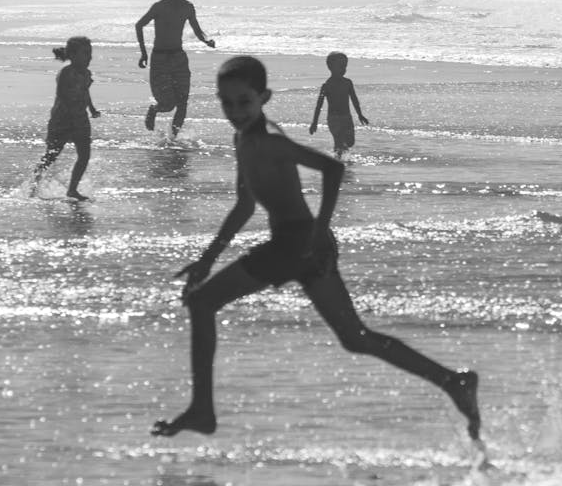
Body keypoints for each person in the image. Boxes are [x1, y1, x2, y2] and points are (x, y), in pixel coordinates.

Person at [151, 56, 482, 444]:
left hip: (296, 243)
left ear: (264, 98)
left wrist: (319, 230)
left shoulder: (269, 141)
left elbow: (332, 169)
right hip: (301, 246)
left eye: (244, 101)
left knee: (203, 303)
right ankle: (453, 381)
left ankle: (202, 411)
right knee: (354, 337)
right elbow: (244, 206)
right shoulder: (243, 139)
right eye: (227, 103)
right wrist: (206, 261)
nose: (235, 111)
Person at [135, 0, 217, 138]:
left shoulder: (188, 7)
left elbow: (198, 31)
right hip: (160, 58)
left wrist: (207, 41)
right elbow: (139, 25)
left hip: (178, 58)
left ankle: (173, 140)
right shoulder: (160, 6)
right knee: (167, 104)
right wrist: (143, 53)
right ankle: (154, 109)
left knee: (182, 102)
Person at [33, 36, 101, 201]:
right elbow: (62, 95)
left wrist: (91, 108)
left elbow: (85, 91)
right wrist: (72, 111)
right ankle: (34, 184)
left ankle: (72, 189)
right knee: (51, 155)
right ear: (73, 55)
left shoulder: (86, 73)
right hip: (62, 120)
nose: (89, 57)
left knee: (84, 155)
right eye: (85, 54)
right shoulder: (65, 73)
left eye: (90, 53)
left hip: (80, 118)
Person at [309, 51, 370, 158]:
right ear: (331, 67)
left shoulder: (348, 83)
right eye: (341, 66)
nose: (344, 69)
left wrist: (360, 114)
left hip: (347, 117)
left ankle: (341, 156)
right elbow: (319, 105)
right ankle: (338, 162)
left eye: (345, 66)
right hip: (333, 119)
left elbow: (354, 99)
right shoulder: (327, 85)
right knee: (338, 141)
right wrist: (314, 122)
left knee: (350, 142)